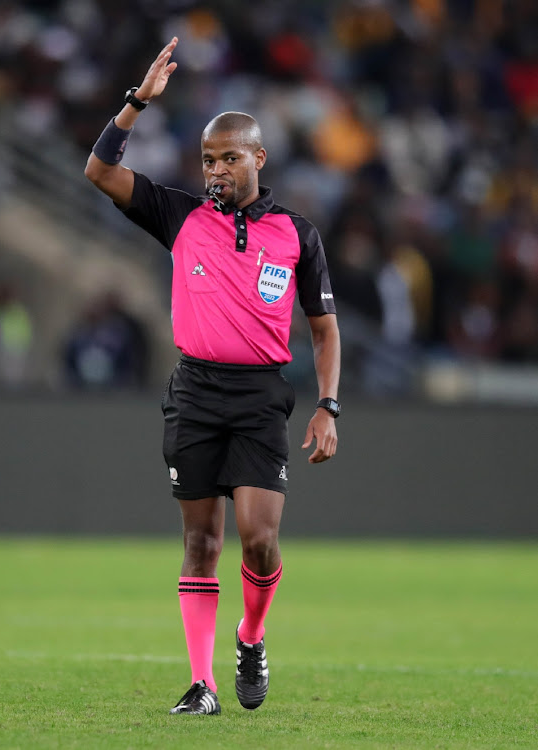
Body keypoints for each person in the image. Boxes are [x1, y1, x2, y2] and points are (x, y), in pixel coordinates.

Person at [85, 37, 341, 716]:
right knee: (201, 542)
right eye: (207, 159)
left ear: (259, 158)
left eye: (229, 157)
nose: (216, 168)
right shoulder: (180, 216)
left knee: (259, 538)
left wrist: (329, 406)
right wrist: (139, 101)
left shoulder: (295, 234)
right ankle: (200, 686)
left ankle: (250, 637)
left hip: (260, 396)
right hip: (194, 391)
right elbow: (99, 171)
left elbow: (322, 328)